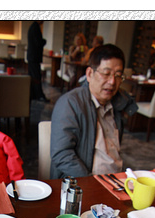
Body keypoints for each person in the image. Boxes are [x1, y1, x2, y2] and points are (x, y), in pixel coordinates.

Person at [50, 44, 138, 179]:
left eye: (118, 75)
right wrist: (92, 181)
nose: (112, 81)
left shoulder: (118, 103)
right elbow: (61, 154)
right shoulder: (70, 103)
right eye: (106, 74)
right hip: (84, 181)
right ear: (90, 74)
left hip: (115, 180)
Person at [26, 20, 48, 101]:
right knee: (36, 77)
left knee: (33, 76)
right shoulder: (35, 28)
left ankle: (33, 95)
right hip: (34, 57)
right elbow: (38, 42)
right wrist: (44, 41)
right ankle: (39, 95)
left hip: (32, 57)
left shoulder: (33, 27)